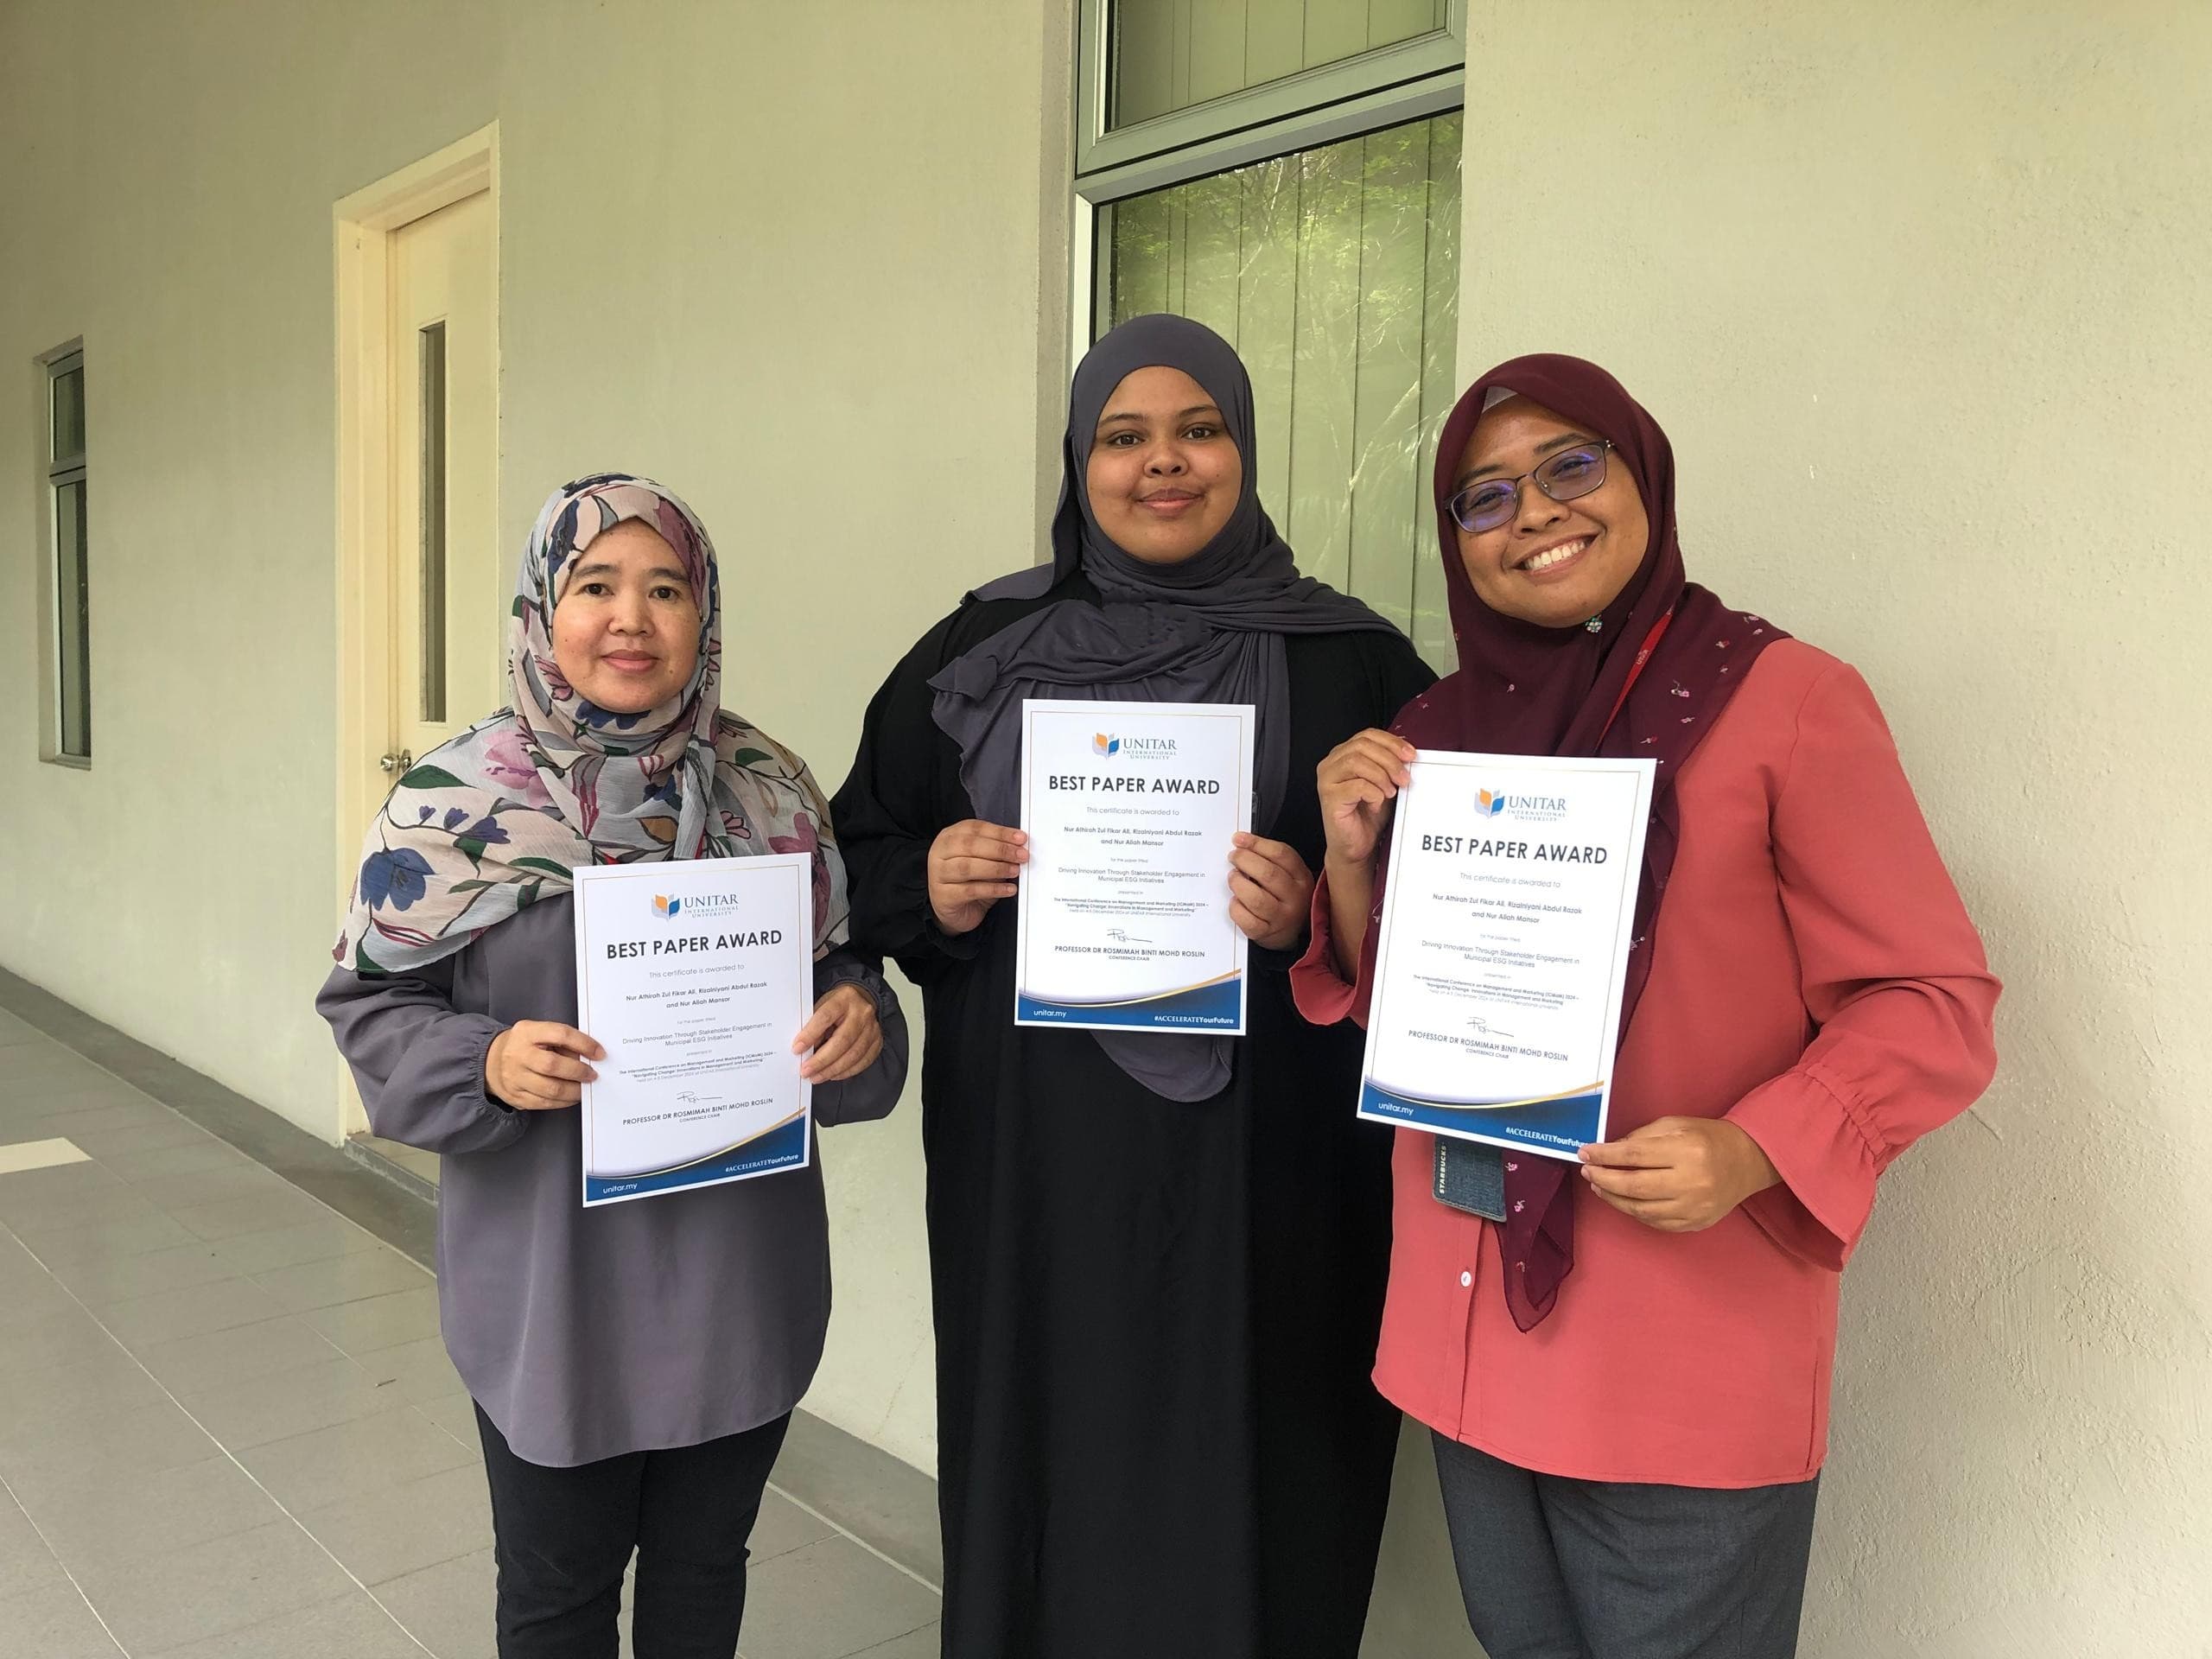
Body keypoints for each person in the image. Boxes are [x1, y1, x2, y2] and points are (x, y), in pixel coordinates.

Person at [1294, 356, 2001, 1659]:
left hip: (1679, 1339)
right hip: (1469, 1332)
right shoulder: (1440, 733)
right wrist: (1348, 857)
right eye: (1485, 495)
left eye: (1573, 465)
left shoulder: (1786, 702)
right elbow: (1411, 1015)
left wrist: (1757, 1145)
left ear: (1643, 473)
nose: (1538, 514)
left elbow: (1933, 997)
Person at [830, 315, 1436, 1658]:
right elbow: (843, 859)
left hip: (1271, 1186)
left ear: (1245, 448)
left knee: (1270, 1467)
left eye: (1198, 429)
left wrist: (1315, 915)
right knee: (1055, 1457)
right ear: (1079, 460)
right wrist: (925, 883)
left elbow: (1445, 929)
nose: (1164, 464)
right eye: (1125, 436)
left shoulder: (1357, 662)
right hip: (1035, 1178)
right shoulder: (976, 646)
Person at [319, 474, 906, 1659]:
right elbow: (371, 1007)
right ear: (546, 609)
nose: (630, 618)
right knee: (558, 1594)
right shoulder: (452, 808)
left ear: (705, 615)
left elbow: (845, 974)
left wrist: (856, 1016)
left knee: (703, 1571)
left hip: (737, 1275)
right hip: (553, 1289)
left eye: (665, 588)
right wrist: (485, 1063)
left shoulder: (771, 790)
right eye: (595, 585)